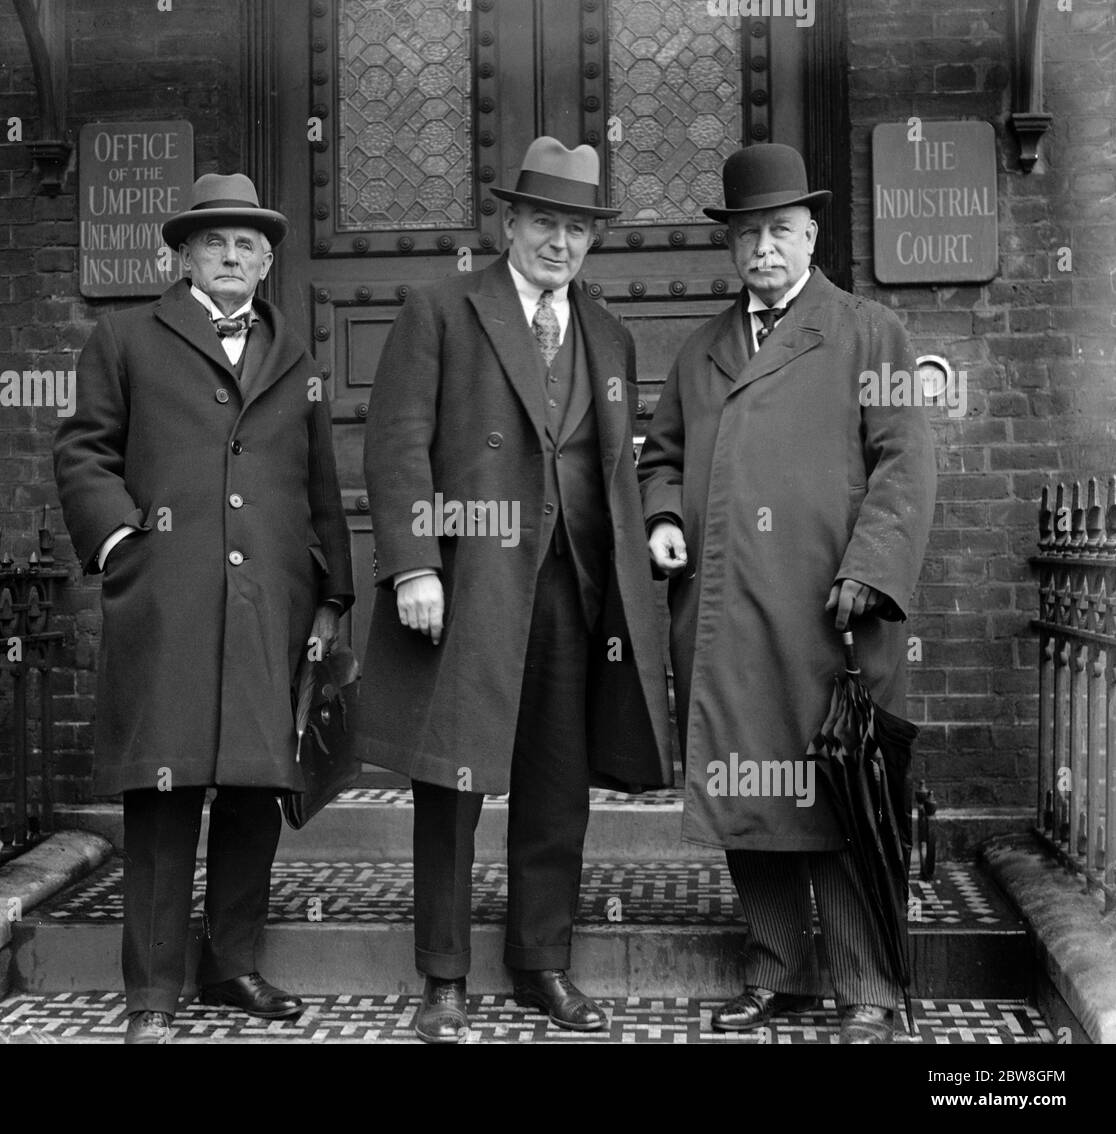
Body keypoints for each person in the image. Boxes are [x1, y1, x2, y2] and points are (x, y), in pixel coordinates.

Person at [356, 137, 672, 1044]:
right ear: (509, 223)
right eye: (545, 222)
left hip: (573, 592)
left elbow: (611, 468)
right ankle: (444, 978)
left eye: (577, 228)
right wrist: (415, 563)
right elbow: (396, 442)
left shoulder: (609, 334)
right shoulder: (442, 309)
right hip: (467, 583)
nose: (560, 243)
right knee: (449, 782)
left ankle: (544, 963)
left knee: (556, 786)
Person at [638, 143, 936, 1044]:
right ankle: (776, 970)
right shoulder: (702, 351)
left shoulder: (868, 332)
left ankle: (867, 988)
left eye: (779, 230)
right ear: (730, 247)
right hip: (727, 617)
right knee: (747, 797)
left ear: (810, 234)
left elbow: (905, 460)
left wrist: (870, 570)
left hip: (830, 619)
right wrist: (661, 519)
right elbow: (663, 455)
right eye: (746, 234)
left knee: (842, 799)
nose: (763, 248)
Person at [53, 172, 353, 1044]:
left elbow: (319, 482)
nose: (233, 256)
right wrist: (122, 548)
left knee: (256, 791)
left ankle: (231, 967)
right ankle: (151, 992)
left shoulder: (292, 352)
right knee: (164, 794)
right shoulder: (126, 338)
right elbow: (83, 453)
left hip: (272, 602)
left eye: (249, 244)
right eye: (215, 242)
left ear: (266, 261)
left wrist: (330, 592)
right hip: (170, 601)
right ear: (181, 255)